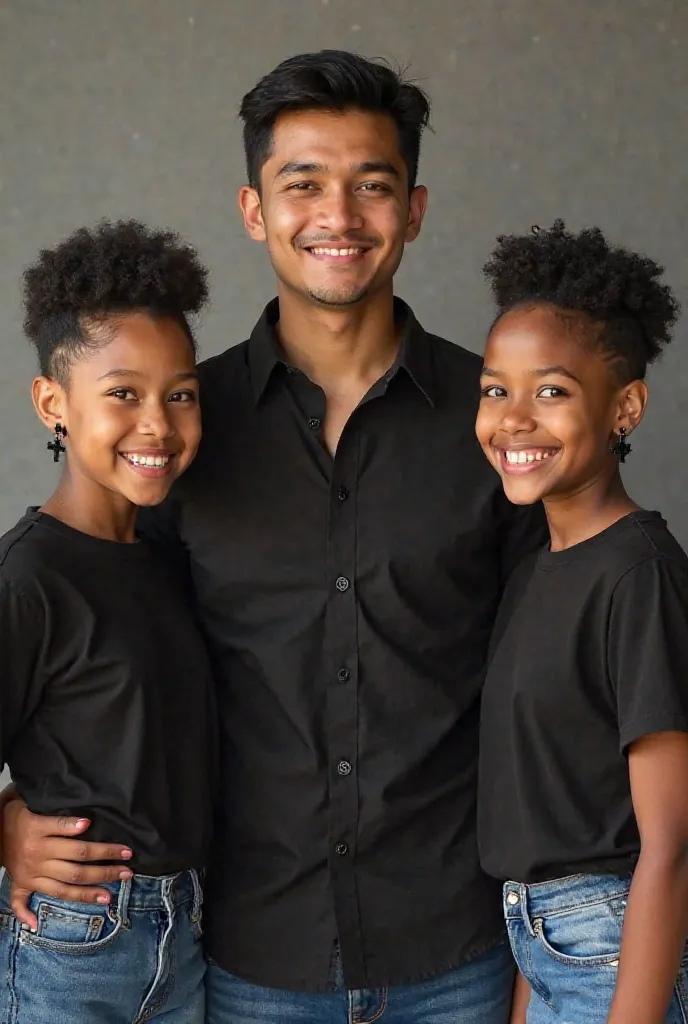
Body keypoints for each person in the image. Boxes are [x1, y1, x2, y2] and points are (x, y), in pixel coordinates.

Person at [1, 53, 546, 1023]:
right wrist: (11, 820)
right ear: (255, 210)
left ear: (413, 210)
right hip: (248, 959)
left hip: (458, 951)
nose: (337, 217)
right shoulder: (172, 433)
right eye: (303, 185)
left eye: (371, 186)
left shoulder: (497, 426)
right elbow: (108, 662)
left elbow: (548, 687)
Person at [0, 220, 217, 1023]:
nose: (157, 424)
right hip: (74, 941)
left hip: (191, 938)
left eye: (180, 394)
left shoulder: (174, 556)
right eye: (122, 393)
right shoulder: (28, 576)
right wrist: (6, 831)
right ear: (53, 403)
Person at [475, 220, 688, 1022]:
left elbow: (669, 845)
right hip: (541, 945)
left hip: (616, 955)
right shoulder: (535, 571)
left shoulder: (641, 576)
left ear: (625, 406)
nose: (514, 418)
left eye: (552, 391)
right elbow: (542, 829)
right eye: (497, 388)